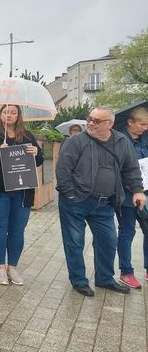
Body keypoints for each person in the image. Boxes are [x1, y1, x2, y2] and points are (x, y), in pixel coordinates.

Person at [56, 106, 146, 297]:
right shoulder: (75, 141)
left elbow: (131, 169)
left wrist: (138, 191)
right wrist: (70, 195)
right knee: (75, 242)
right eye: (90, 118)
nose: (90, 123)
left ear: (110, 123)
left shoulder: (122, 141)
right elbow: (63, 170)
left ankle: (104, 278)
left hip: (105, 203)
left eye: (97, 121)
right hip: (75, 202)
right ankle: (79, 281)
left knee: (108, 240)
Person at [0, 107, 43, 285]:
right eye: (6, 112)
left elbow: (40, 159)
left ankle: (12, 267)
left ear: (18, 115)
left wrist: (37, 153)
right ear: (0, 115)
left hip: (22, 190)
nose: (9, 115)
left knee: (17, 229)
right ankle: (0, 267)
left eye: (13, 112)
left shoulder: (27, 136)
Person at [116, 106, 148, 288]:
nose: (145, 127)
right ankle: (126, 272)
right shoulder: (119, 140)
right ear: (130, 122)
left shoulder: (145, 139)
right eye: (142, 124)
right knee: (127, 231)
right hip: (127, 196)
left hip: (145, 193)